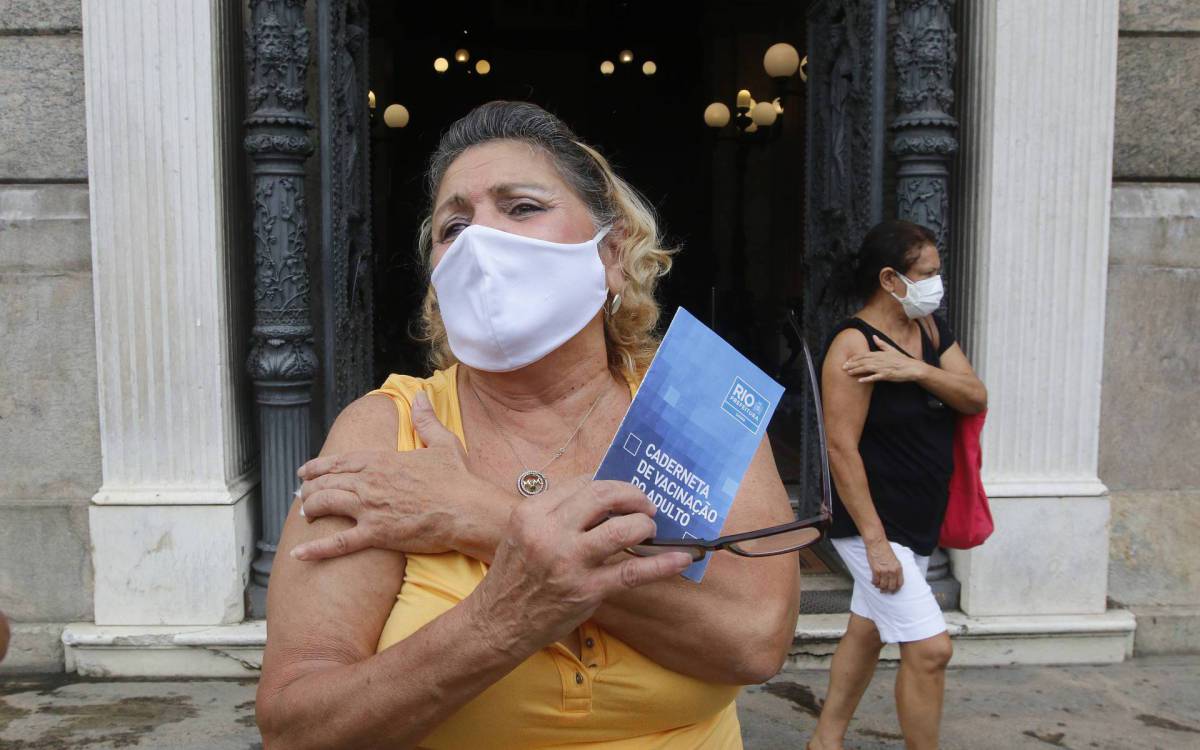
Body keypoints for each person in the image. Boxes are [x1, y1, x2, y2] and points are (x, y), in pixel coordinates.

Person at [255, 101, 802, 749]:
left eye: (521, 207)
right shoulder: (387, 431)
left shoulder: (700, 403)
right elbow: (297, 729)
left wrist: (479, 517)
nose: (481, 240)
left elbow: (755, 641)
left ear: (613, 253)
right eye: (454, 226)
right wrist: (500, 621)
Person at [808, 220, 987, 750]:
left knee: (866, 631)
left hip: (917, 515)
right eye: (926, 274)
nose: (936, 284)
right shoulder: (853, 344)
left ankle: (825, 741)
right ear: (890, 279)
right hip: (872, 522)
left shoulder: (928, 329)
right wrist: (875, 543)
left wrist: (916, 371)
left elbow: (974, 395)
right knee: (931, 650)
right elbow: (840, 449)